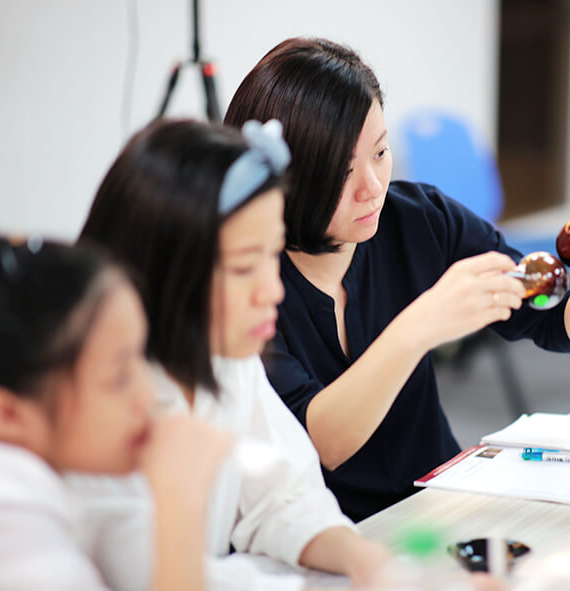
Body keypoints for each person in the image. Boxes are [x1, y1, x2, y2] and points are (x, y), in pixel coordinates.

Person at [224, 37, 570, 521]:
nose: (372, 187)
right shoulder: (245, 286)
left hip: (439, 498)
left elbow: (560, 325)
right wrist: (419, 327)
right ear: (286, 180)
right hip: (325, 531)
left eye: (381, 152)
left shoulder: (420, 219)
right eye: (343, 171)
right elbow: (321, 442)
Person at [77, 117, 390, 588]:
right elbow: (157, 574)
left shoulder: (226, 359)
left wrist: (364, 558)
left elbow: (281, 495)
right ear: (164, 269)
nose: (272, 291)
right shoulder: (98, 408)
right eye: (244, 267)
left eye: (272, 256)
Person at [0, 235, 230, 590]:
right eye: (119, 377)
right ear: (7, 414)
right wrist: (181, 504)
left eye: (142, 357)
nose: (149, 394)